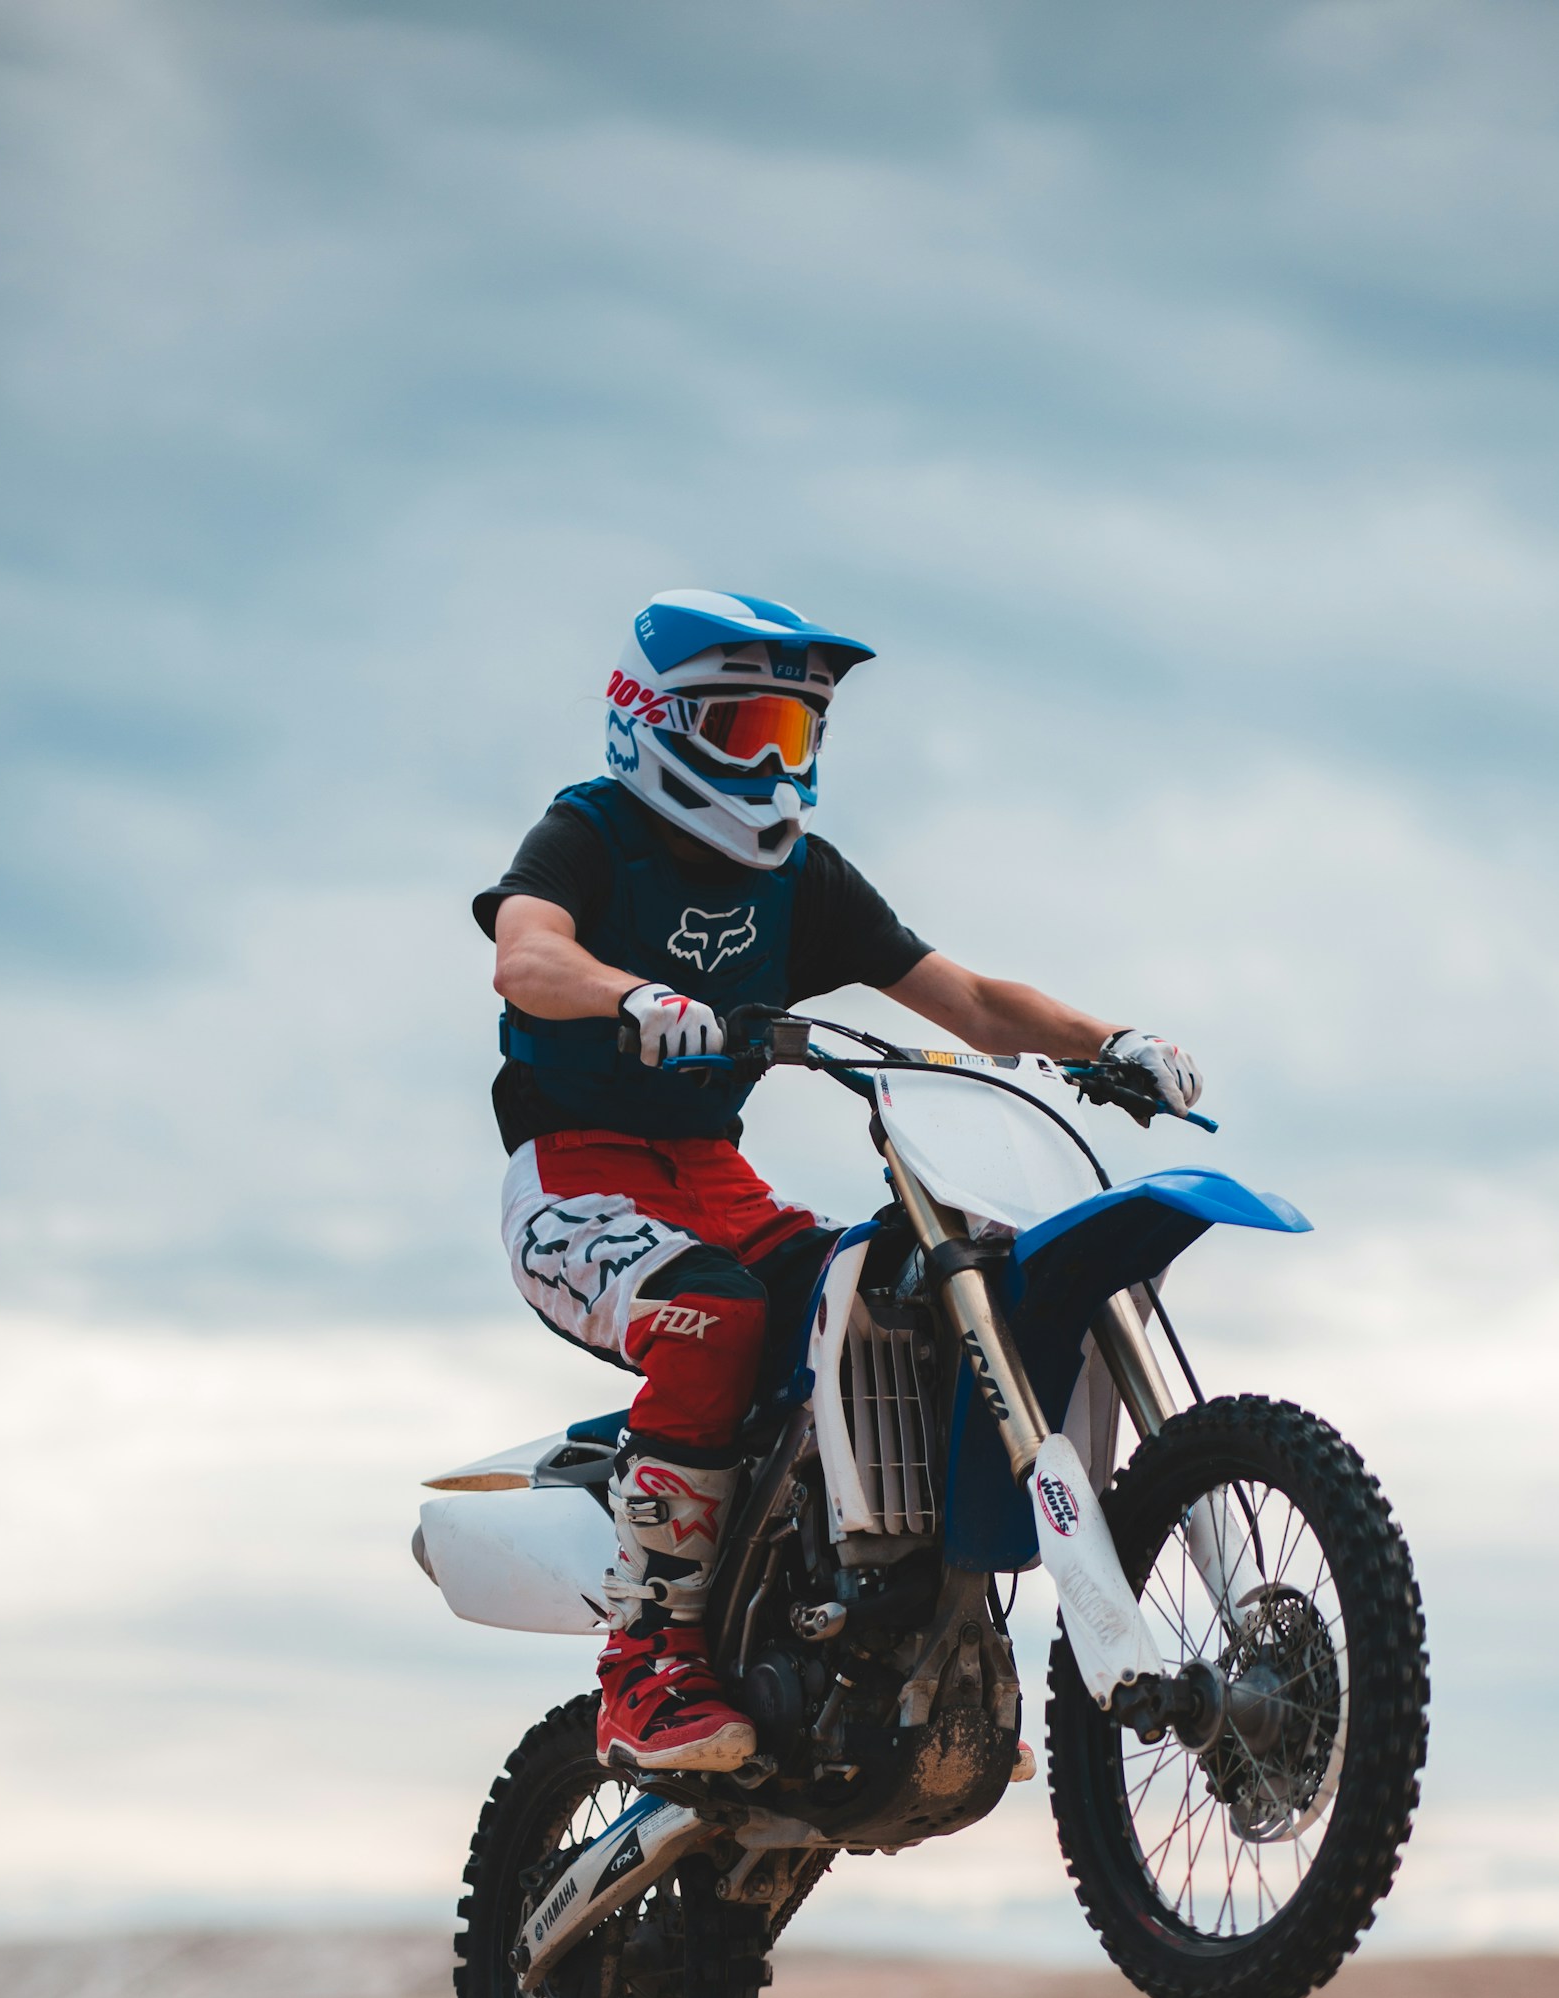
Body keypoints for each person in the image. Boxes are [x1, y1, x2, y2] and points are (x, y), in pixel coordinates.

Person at [474, 589, 1202, 1774]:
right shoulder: (593, 832)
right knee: (711, 1317)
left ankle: (913, 1636)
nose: (770, 761)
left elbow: (964, 1002)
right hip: (574, 1186)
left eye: (792, 736)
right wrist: (633, 996)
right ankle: (644, 1668)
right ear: (651, 719)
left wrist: (1105, 1039)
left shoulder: (800, 879)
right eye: (742, 727)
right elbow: (527, 952)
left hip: (719, 1184)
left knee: (894, 1299)